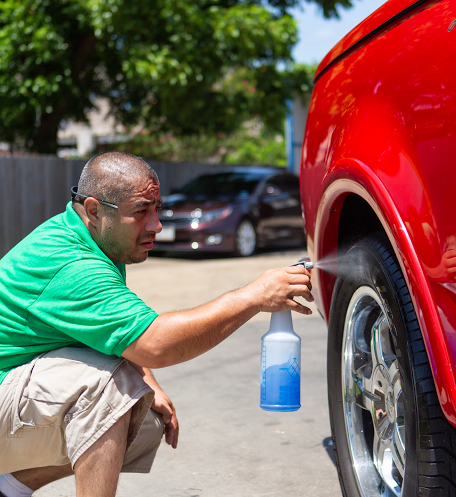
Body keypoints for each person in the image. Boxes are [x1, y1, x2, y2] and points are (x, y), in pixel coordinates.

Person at [0, 151, 313, 497]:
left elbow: (110, 333)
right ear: (94, 210)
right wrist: (252, 296)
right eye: (141, 212)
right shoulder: (72, 265)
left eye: (157, 209)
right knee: (110, 389)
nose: (156, 225)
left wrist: (148, 382)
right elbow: (156, 344)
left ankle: (10, 487)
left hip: (14, 384)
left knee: (142, 415)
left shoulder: (93, 239)